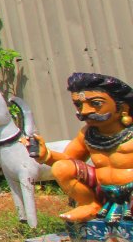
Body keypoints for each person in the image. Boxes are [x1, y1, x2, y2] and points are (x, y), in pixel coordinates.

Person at [36, 72, 133, 222]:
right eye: (79, 105)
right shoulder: (87, 134)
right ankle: (89, 205)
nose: (84, 111)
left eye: (96, 103)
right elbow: (69, 160)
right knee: (62, 167)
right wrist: (46, 155)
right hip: (104, 191)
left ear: (123, 107)